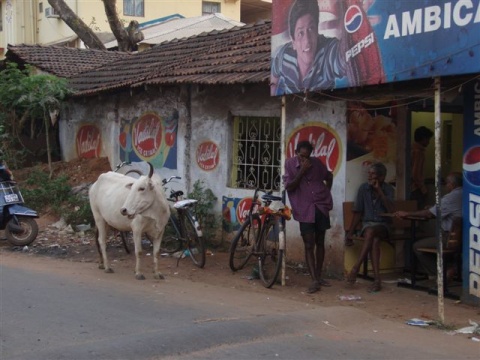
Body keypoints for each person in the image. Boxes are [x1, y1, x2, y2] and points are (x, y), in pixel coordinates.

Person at [283, 140, 333, 294]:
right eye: (301, 156)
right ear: (297, 153)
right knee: (308, 244)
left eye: (307, 157)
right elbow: (289, 186)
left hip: (320, 206)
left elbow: (329, 176)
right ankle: (313, 280)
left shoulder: (316, 163)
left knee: (320, 242)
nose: (304, 159)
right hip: (304, 209)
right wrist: (302, 171)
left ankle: (318, 276)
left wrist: (326, 192)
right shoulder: (290, 164)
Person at [270, 0, 347, 95]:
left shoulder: (328, 53)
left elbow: (344, 56)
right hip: (292, 107)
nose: (307, 41)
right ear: (293, 42)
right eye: (300, 33)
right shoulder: (284, 56)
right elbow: (273, 79)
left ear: (317, 32)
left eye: (311, 29)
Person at [395, 172, 463, 277]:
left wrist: (407, 213)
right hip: (463, 239)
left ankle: (442, 274)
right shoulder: (466, 194)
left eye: (446, 183)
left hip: (449, 238)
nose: (445, 186)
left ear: (452, 184)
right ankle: (450, 269)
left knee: (417, 246)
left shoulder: (451, 197)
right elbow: (440, 209)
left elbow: (428, 214)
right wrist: (432, 207)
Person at [345, 162, 394, 292]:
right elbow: (358, 212)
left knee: (372, 233)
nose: (370, 177)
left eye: (373, 174)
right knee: (374, 239)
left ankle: (356, 267)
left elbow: (391, 210)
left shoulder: (388, 189)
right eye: (369, 174)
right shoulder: (363, 188)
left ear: (381, 177)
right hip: (367, 225)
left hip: (384, 225)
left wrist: (380, 191)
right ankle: (377, 280)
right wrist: (350, 232)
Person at [410, 126, 433, 210]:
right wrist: (423, 189)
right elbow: (416, 174)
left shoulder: (411, 149)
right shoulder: (418, 152)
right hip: (415, 188)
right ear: (423, 139)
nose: (429, 142)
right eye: (428, 139)